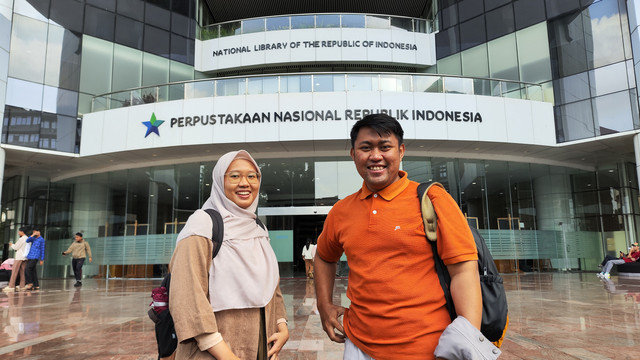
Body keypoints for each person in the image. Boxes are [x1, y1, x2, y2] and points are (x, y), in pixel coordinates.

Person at [315, 114, 494, 360]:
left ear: (401, 151)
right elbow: (324, 257)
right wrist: (324, 305)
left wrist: (465, 343)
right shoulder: (341, 211)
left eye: (385, 147)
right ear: (353, 154)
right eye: (365, 148)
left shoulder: (433, 200)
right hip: (358, 346)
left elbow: (464, 271)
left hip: (428, 348)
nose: (375, 156)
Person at [169, 150, 288, 360]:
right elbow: (187, 296)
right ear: (219, 181)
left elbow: (272, 286)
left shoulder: (258, 229)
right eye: (234, 176)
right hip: (213, 352)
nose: (245, 183)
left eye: (252, 176)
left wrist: (281, 325)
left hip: (260, 345)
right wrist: (225, 354)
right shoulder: (202, 224)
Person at [4, 226, 30, 292]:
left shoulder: (21, 239)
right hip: (25, 257)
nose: (18, 233)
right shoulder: (28, 239)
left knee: (14, 271)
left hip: (19, 257)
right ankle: (22, 285)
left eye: (19, 231)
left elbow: (16, 247)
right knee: (22, 272)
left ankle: (11, 286)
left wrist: (11, 245)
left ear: (22, 232)